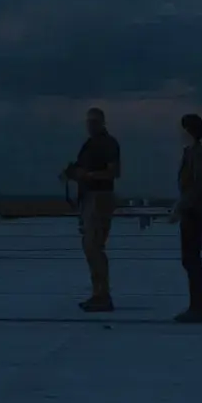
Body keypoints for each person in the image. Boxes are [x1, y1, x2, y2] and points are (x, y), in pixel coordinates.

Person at [60, 107, 121, 312]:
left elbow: (113, 172)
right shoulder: (90, 145)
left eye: (94, 122)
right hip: (89, 198)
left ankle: (102, 294)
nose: (91, 125)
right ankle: (99, 293)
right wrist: (72, 173)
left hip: (99, 198)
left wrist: (87, 175)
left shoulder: (108, 143)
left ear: (102, 122)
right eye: (89, 122)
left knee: (94, 246)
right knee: (91, 247)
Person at [170, 113, 202, 323]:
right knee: (190, 259)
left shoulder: (197, 154)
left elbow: (199, 186)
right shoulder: (192, 153)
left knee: (191, 259)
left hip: (193, 212)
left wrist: (180, 207)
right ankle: (197, 305)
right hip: (192, 210)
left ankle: (198, 307)